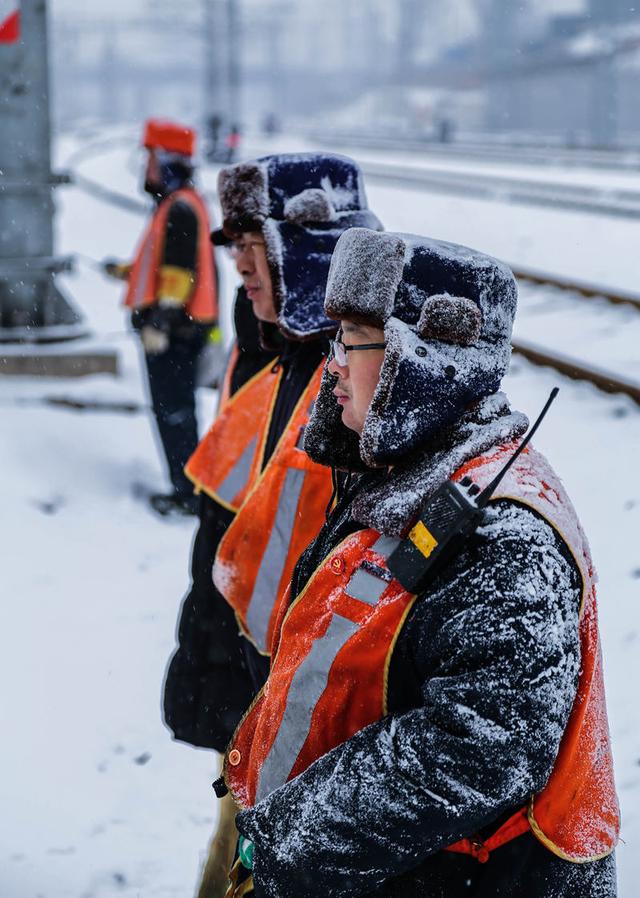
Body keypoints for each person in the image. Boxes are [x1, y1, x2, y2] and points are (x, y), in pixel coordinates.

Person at [223, 228, 620, 898]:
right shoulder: (405, 471)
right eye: (334, 341)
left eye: (352, 340)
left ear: (425, 355)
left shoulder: (506, 537)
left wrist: (294, 835)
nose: (334, 366)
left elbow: (483, 744)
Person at [162, 156, 382, 897]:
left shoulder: (355, 388)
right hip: (254, 691)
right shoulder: (270, 360)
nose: (240, 270)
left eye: (253, 250)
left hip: (303, 714)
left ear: (304, 253)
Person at [103, 118, 218, 516]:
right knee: (176, 410)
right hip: (179, 330)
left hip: (175, 334)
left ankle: (188, 494)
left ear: (168, 160)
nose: (145, 167)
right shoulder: (180, 203)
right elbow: (167, 264)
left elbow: (179, 275)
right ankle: (188, 488)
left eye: (150, 157)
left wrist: (160, 322)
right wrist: (124, 271)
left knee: (175, 413)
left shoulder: (180, 207)